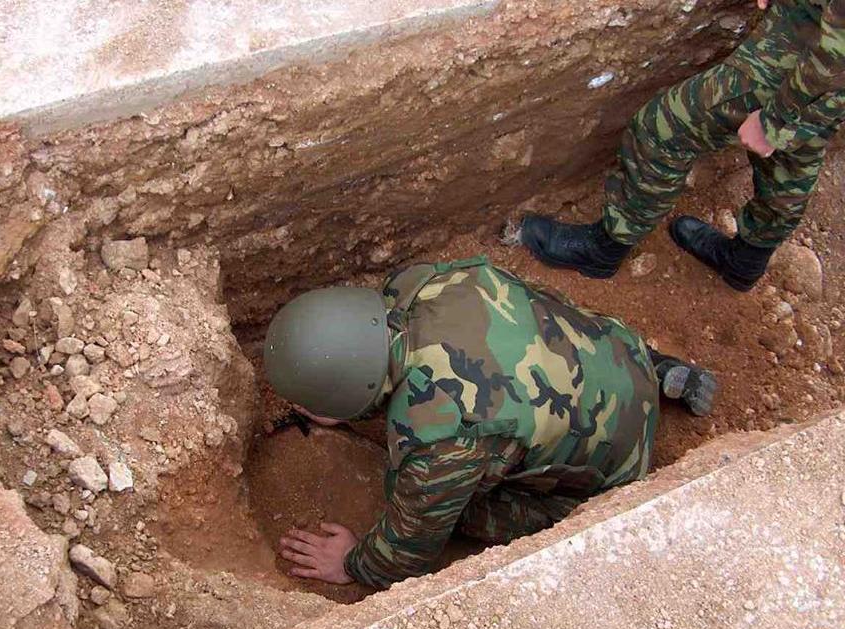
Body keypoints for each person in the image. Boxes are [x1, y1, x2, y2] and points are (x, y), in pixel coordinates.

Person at [264, 256, 717, 588]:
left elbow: (411, 547)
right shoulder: (426, 283)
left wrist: (354, 563)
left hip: (618, 466)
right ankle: (664, 372)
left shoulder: (437, 438)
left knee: (456, 510)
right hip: (623, 355)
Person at [506, 0, 845, 292]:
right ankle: (745, 261)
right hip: (822, 38)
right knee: (802, 143)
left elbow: (836, 58)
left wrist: (775, 121)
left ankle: (604, 249)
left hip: (825, 57)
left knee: (660, 131)